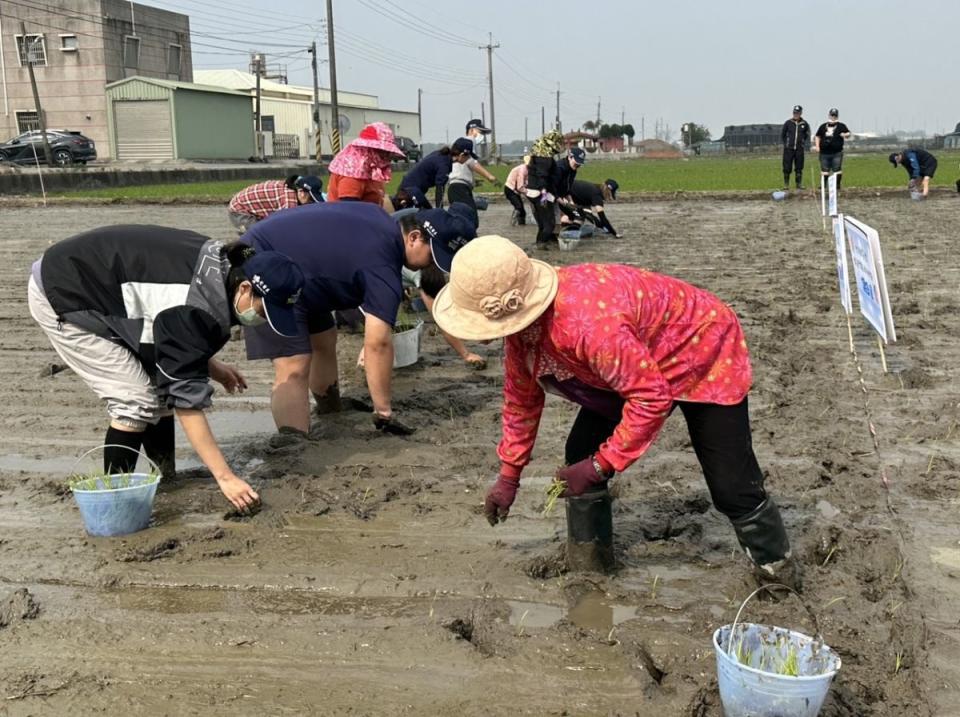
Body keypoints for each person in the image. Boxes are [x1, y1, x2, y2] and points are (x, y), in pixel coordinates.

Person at [433, 236, 800, 588]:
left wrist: (601, 466)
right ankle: (591, 567)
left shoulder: (589, 325)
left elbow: (650, 399)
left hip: (702, 344)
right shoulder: (523, 333)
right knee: (579, 453)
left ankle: (777, 576)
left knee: (732, 486)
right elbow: (521, 400)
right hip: (630, 360)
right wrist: (508, 476)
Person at [28, 225, 305, 511]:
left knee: (158, 388)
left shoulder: (228, 269)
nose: (261, 320)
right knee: (135, 400)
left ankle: (164, 477)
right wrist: (225, 477)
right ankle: (115, 501)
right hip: (65, 290)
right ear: (245, 287)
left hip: (100, 279)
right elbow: (186, 399)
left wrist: (211, 366)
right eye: (263, 311)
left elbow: (172, 334)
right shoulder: (197, 303)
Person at [241, 202, 477, 438]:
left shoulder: (381, 221)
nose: (432, 265)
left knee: (324, 338)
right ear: (414, 237)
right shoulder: (382, 265)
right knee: (294, 363)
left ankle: (330, 409)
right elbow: (378, 344)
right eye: (432, 256)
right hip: (265, 265)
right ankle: (293, 444)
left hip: (304, 272)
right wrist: (383, 410)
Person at [327, 122, 405, 208]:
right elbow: (349, 211)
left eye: (387, 152)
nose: (386, 155)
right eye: (382, 151)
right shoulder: (352, 173)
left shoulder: (369, 169)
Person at [227, 175, 323, 234]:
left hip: (249, 207)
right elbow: (286, 228)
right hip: (239, 211)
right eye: (311, 200)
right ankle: (243, 256)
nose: (311, 204)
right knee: (259, 236)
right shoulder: (289, 201)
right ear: (301, 192)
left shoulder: (292, 188)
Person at [397, 139, 475, 210]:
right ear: (461, 155)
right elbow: (440, 189)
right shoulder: (444, 165)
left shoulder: (442, 156)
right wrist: (439, 210)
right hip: (410, 191)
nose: (468, 159)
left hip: (410, 187)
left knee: (426, 214)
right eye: (468, 156)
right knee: (428, 216)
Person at [526, 130, 567, 250]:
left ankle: (539, 245)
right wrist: (544, 192)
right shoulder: (544, 157)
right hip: (540, 193)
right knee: (550, 225)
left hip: (535, 192)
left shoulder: (538, 153)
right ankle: (539, 247)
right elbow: (542, 175)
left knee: (543, 225)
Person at [446, 137, 499, 224]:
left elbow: (459, 176)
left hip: (454, 189)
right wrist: (490, 177)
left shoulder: (453, 159)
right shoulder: (465, 157)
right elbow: (474, 165)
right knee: (471, 217)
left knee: (459, 216)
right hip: (459, 189)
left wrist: (475, 182)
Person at [814, 108, 852, 191]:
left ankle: (837, 185)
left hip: (836, 153)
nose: (833, 117)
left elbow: (849, 133)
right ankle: (823, 186)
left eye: (835, 115)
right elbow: (817, 136)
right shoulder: (823, 126)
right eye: (832, 115)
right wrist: (817, 146)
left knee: (837, 169)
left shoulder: (841, 126)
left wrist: (845, 134)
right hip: (824, 153)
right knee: (824, 170)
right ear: (829, 115)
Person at [780, 105, 811, 190]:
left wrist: (803, 143)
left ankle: (799, 184)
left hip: (799, 149)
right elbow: (783, 135)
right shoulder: (788, 123)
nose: (795, 114)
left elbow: (806, 135)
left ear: (801, 113)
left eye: (797, 113)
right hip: (788, 149)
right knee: (787, 167)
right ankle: (786, 185)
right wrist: (786, 144)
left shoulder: (804, 124)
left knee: (799, 167)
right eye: (794, 113)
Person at [503, 157, 530, 226]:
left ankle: (521, 224)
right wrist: (528, 192)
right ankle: (513, 224)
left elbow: (526, 182)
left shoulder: (527, 170)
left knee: (522, 212)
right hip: (510, 189)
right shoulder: (522, 170)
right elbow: (520, 187)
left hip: (515, 190)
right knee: (518, 207)